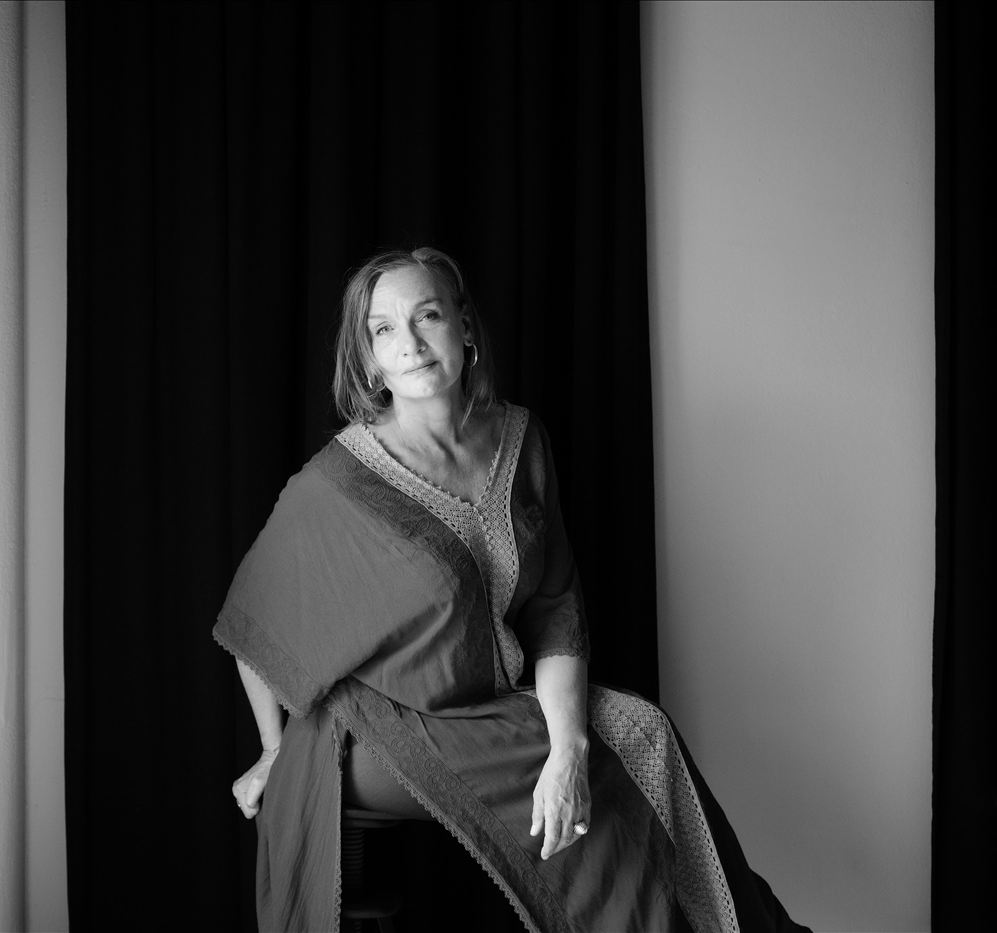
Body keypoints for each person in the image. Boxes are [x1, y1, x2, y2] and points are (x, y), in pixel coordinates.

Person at [213, 248, 809, 932]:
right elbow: (252, 625)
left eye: (427, 316)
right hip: (373, 732)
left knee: (643, 732)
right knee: (604, 803)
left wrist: (570, 747)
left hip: (488, 710)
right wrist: (273, 750)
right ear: (369, 359)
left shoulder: (521, 440)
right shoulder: (337, 483)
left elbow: (555, 608)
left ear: (464, 325)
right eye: (383, 329)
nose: (409, 344)